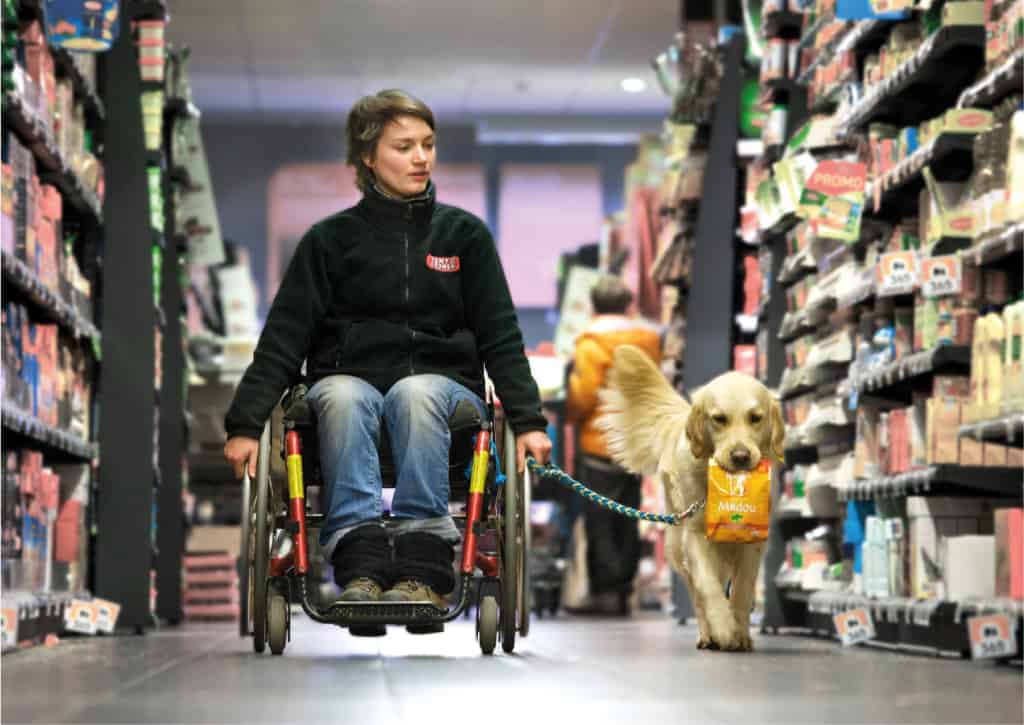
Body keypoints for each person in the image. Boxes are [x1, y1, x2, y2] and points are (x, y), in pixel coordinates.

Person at [223, 90, 551, 615]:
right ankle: (361, 564)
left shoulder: (464, 236)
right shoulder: (328, 241)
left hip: (445, 397)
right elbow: (283, 338)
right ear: (367, 157)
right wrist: (244, 425)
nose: (421, 157)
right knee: (343, 396)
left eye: (427, 144)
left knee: (414, 393)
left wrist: (529, 420)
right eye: (404, 147)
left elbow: (500, 334)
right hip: (347, 388)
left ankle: (423, 565)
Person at [565, 275, 661, 616]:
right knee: (628, 516)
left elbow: (585, 394)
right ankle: (624, 587)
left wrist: (570, 412)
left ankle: (606, 589)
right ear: (627, 304)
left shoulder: (590, 343)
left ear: (594, 304)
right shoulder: (649, 340)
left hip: (600, 440)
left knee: (600, 519)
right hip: (636, 439)